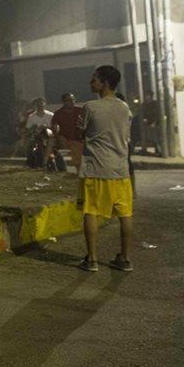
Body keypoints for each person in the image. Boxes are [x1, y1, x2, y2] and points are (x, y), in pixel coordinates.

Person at [76, 65, 135, 273]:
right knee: (125, 214)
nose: (91, 83)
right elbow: (126, 137)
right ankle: (125, 259)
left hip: (96, 169)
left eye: (94, 80)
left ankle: (92, 260)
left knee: (90, 211)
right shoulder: (125, 108)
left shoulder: (90, 107)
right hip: (120, 170)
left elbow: (80, 132)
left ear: (105, 83)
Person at [51, 93, 84, 174]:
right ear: (64, 102)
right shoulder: (58, 113)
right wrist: (57, 137)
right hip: (64, 138)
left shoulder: (80, 110)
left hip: (78, 139)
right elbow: (54, 127)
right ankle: (68, 165)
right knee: (60, 141)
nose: (71, 102)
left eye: (73, 100)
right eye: (68, 100)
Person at [139, 90, 162, 155]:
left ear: (151, 96)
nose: (146, 97)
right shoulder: (144, 105)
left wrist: (154, 122)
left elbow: (157, 114)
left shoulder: (155, 104)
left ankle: (159, 151)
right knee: (153, 138)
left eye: (148, 96)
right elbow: (144, 114)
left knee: (156, 138)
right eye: (146, 96)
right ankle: (157, 150)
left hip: (156, 123)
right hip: (149, 123)